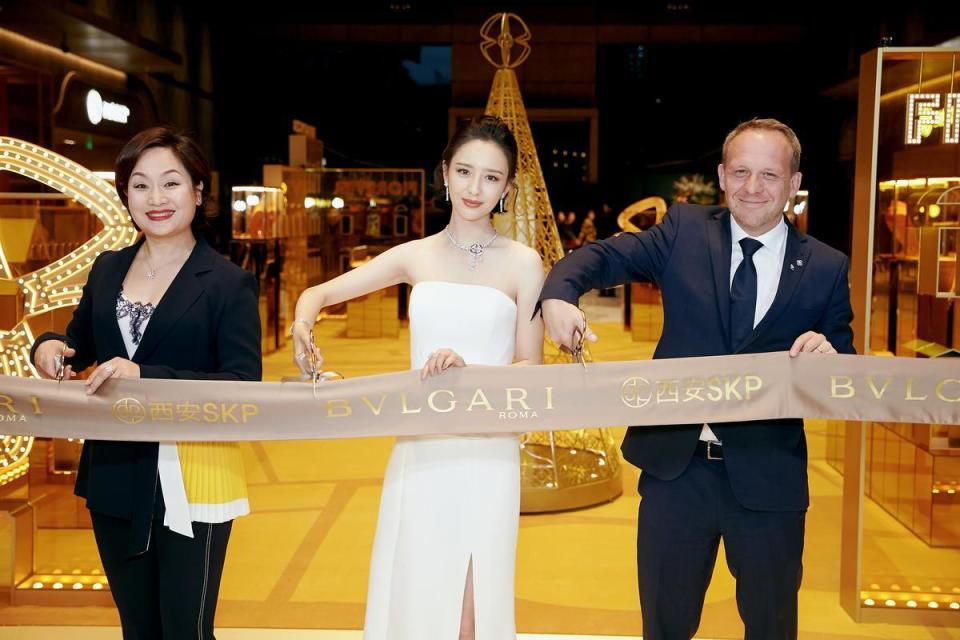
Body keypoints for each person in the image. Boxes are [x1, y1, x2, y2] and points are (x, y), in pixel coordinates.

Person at [538, 118, 854, 640]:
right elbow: (602, 256)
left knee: (772, 627)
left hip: (769, 479)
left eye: (770, 175)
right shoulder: (684, 231)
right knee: (665, 625)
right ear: (722, 176)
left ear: (794, 183)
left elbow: (843, 363)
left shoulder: (826, 266)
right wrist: (558, 294)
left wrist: (829, 355)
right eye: (741, 172)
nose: (753, 187)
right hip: (676, 475)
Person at [292, 115, 544, 640]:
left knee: (472, 611)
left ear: (507, 188)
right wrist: (302, 323)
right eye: (465, 172)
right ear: (445, 173)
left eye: (492, 177)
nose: (475, 188)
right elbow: (319, 294)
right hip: (421, 447)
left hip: (488, 451)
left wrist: (471, 373)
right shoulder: (415, 255)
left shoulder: (524, 264)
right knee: (416, 594)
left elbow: (531, 369)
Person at [31, 126, 261, 639]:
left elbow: (244, 384)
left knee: (186, 629)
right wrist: (47, 346)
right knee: (137, 627)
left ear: (198, 191)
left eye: (171, 183)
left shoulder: (228, 282)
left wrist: (146, 376)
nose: (156, 198)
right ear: (126, 195)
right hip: (114, 473)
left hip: (194, 475)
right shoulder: (107, 268)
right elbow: (77, 343)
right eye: (140, 185)